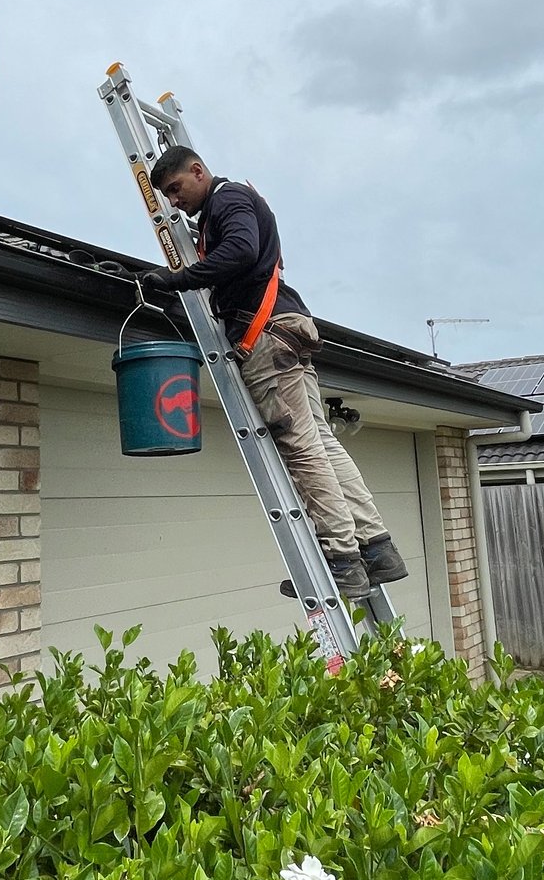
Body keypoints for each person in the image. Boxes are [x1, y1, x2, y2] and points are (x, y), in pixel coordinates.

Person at [140, 147, 411, 602]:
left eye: (175, 189)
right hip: (287, 327)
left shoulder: (227, 200)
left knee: (301, 447)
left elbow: (242, 251)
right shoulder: (227, 206)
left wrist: (177, 279)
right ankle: (377, 548)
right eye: (165, 195)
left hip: (265, 335)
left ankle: (342, 559)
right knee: (321, 440)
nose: (172, 201)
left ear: (198, 171)